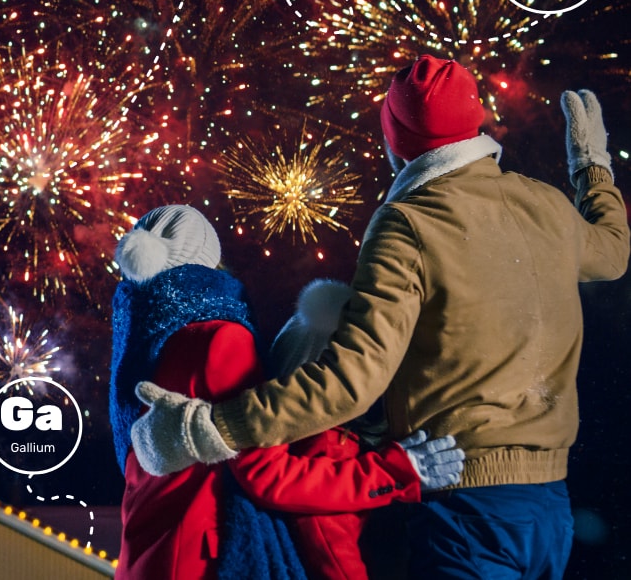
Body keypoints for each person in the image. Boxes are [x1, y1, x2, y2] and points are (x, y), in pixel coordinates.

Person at [130, 55, 629, 579]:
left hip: (465, 504)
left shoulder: (410, 222)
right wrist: (592, 168)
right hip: (550, 506)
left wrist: (209, 429)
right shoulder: (545, 204)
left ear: (396, 140)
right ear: (476, 119)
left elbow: (352, 381)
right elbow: (613, 253)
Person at [110, 204, 464, 579]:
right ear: (208, 259)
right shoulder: (220, 338)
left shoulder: (135, 346)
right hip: (202, 560)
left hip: (145, 557)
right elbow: (264, 472)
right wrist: (393, 472)